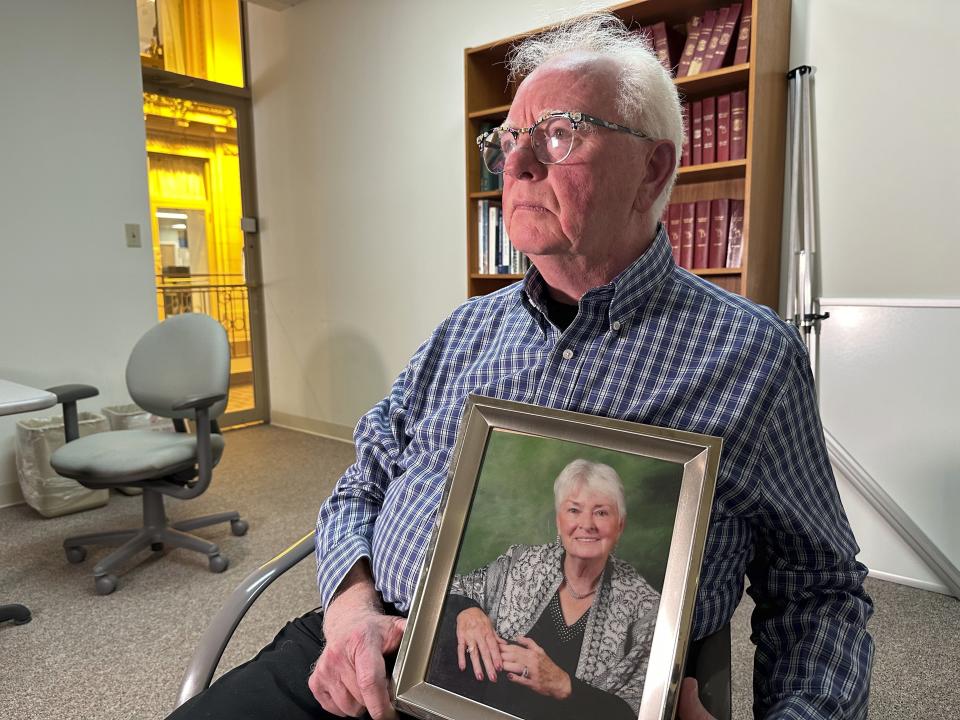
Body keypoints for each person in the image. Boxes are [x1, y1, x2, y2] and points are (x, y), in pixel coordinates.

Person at [169, 13, 873, 720]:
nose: (519, 164)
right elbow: (364, 480)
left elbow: (818, 587)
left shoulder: (750, 355)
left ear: (653, 167)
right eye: (507, 141)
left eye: (559, 134)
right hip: (367, 656)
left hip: (580, 701)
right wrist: (349, 605)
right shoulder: (465, 329)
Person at [427, 459, 658, 720]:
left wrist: (563, 685)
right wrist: (467, 610)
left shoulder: (645, 608)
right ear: (559, 521)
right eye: (574, 510)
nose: (587, 524)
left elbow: (643, 711)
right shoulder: (522, 561)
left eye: (601, 512)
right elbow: (450, 590)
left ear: (620, 526)